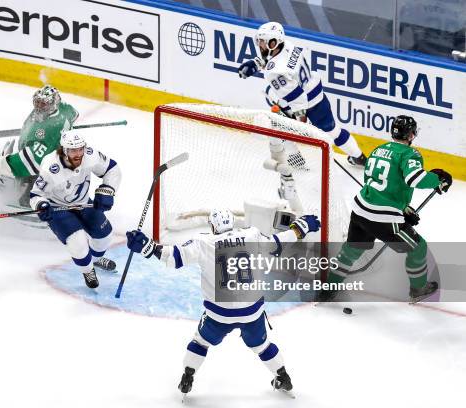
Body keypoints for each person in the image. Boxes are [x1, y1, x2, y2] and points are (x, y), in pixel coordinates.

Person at [126, 209, 321, 398]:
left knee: (201, 342)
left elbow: (172, 256)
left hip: (219, 314)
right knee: (262, 346)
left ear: (213, 226)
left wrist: (147, 247)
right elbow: (278, 243)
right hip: (252, 312)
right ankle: (282, 375)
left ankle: (187, 377)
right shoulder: (251, 235)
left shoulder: (203, 243)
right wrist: (301, 227)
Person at [320, 115, 452, 303]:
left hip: (359, 209)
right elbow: (414, 179)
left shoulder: (378, 149)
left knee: (351, 250)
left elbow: (370, 181)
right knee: (418, 248)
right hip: (384, 220)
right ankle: (418, 289)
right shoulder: (410, 154)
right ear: (412, 135)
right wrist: (437, 180)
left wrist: (403, 208)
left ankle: (328, 289)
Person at [238, 22, 367, 166]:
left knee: (278, 125)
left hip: (304, 103)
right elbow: (274, 60)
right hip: (316, 93)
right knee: (334, 132)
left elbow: (297, 99)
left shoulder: (274, 73)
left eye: (263, 41)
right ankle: (359, 156)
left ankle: (296, 161)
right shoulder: (287, 44)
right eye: (259, 40)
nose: (259, 44)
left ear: (274, 43)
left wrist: (300, 124)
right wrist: (256, 63)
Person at [29, 130, 121, 288]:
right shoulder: (51, 168)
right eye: (73, 150)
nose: (78, 154)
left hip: (83, 202)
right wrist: (41, 205)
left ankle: (96, 260)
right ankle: (87, 270)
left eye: (80, 149)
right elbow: (36, 195)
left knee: (104, 235)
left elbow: (112, 169)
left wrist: (107, 190)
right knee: (77, 242)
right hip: (59, 208)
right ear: (64, 150)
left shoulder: (90, 155)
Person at [0, 84, 79, 206]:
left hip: (52, 168)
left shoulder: (48, 129)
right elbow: (75, 114)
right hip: (60, 155)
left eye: (43, 104)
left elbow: (33, 160)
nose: (39, 106)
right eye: (37, 102)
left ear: (53, 104)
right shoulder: (65, 109)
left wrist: (0, 166)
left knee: (27, 201)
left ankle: (37, 216)